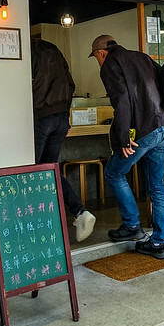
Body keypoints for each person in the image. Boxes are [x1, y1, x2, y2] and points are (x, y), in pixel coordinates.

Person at [89, 34, 164, 259]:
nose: (97, 60)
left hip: (143, 132)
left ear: (101, 52)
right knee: (157, 187)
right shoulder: (142, 57)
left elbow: (122, 100)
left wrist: (124, 137)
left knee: (114, 173)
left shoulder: (109, 65)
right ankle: (159, 243)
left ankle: (132, 225)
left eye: (95, 56)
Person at [31, 38, 96, 242]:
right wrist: (65, 117)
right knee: (49, 171)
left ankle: (35, 227)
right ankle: (79, 212)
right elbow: (70, 84)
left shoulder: (26, 50)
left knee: (31, 173)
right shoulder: (53, 48)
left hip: (38, 118)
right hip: (60, 118)